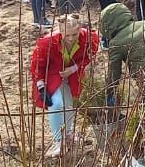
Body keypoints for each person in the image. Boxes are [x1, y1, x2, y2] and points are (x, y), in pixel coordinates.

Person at [30, 14, 99, 158]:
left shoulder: (87, 38)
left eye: (75, 34)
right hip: (53, 76)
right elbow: (38, 66)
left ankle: (68, 134)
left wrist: (73, 69)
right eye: (67, 35)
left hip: (73, 75)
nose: (71, 38)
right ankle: (58, 141)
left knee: (68, 104)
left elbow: (89, 56)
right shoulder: (48, 43)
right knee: (56, 104)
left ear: (80, 29)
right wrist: (41, 87)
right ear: (60, 31)